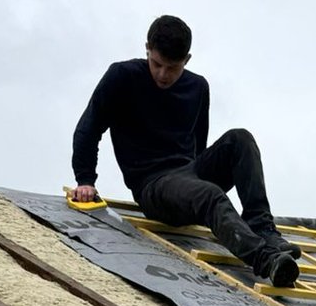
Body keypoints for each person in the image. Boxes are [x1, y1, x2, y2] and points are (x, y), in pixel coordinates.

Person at [71, 15, 300, 287]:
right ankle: (266, 259)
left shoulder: (198, 87)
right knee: (208, 194)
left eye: (173, 68)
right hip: (153, 186)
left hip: (188, 176)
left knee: (241, 139)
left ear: (186, 60)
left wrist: (197, 183)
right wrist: (85, 180)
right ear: (147, 49)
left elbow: (199, 146)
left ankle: (264, 230)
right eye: (156, 64)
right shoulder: (122, 77)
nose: (163, 75)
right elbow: (89, 127)